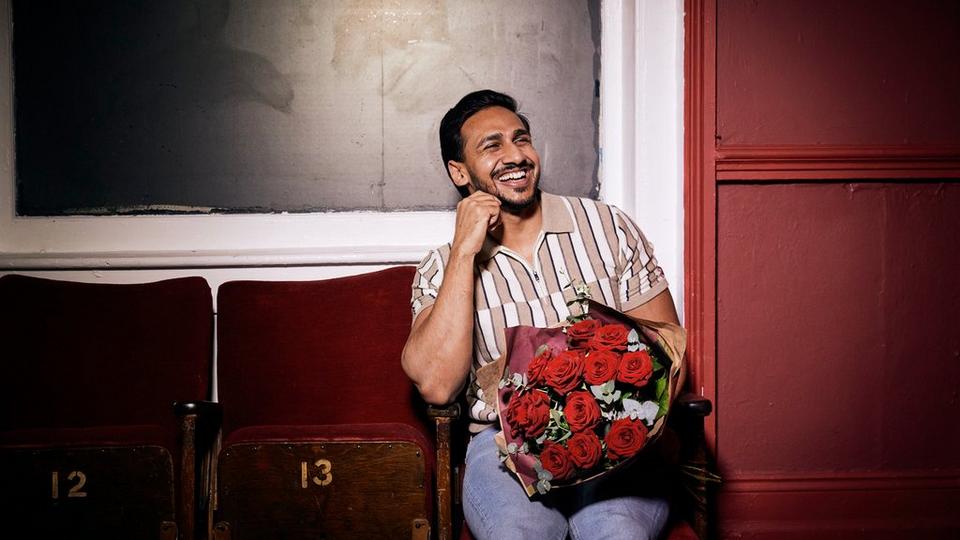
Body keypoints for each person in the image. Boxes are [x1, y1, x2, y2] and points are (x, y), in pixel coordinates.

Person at [402, 90, 681, 540]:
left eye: (522, 139)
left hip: (615, 445)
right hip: (500, 451)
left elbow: (666, 352)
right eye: (492, 146)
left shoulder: (608, 228)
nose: (516, 156)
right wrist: (465, 253)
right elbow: (436, 384)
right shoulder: (442, 266)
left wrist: (614, 432)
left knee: (615, 534)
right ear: (459, 171)